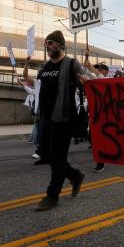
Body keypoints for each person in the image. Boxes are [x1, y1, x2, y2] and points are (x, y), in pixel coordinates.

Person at [31, 30, 90, 211]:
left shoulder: (71, 64)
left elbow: (86, 84)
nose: (47, 46)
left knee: (57, 157)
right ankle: (74, 174)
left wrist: (84, 81)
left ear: (60, 44)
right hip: (45, 118)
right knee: (47, 156)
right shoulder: (46, 67)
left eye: (50, 43)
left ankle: (52, 196)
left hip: (63, 118)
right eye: (46, 44)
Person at [18, 71, 41, 159]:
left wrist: (27, 61)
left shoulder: (41, 83)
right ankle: (40, 150)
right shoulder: (38, 87)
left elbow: (25, 76)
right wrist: (21, 83)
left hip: (46, 113)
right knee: (40, 131)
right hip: (39, 113)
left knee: (42, 132)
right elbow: (31, 91)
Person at [89, 63, 108, 173]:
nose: (99, 73)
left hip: (108, 117)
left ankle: (100, 163)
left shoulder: (109, 81)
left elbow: (99, 77)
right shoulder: (96, 82)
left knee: (99, 140)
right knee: (92, 138)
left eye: (100, 71)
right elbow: (91, 77)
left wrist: (90, 67)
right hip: (96, 116)